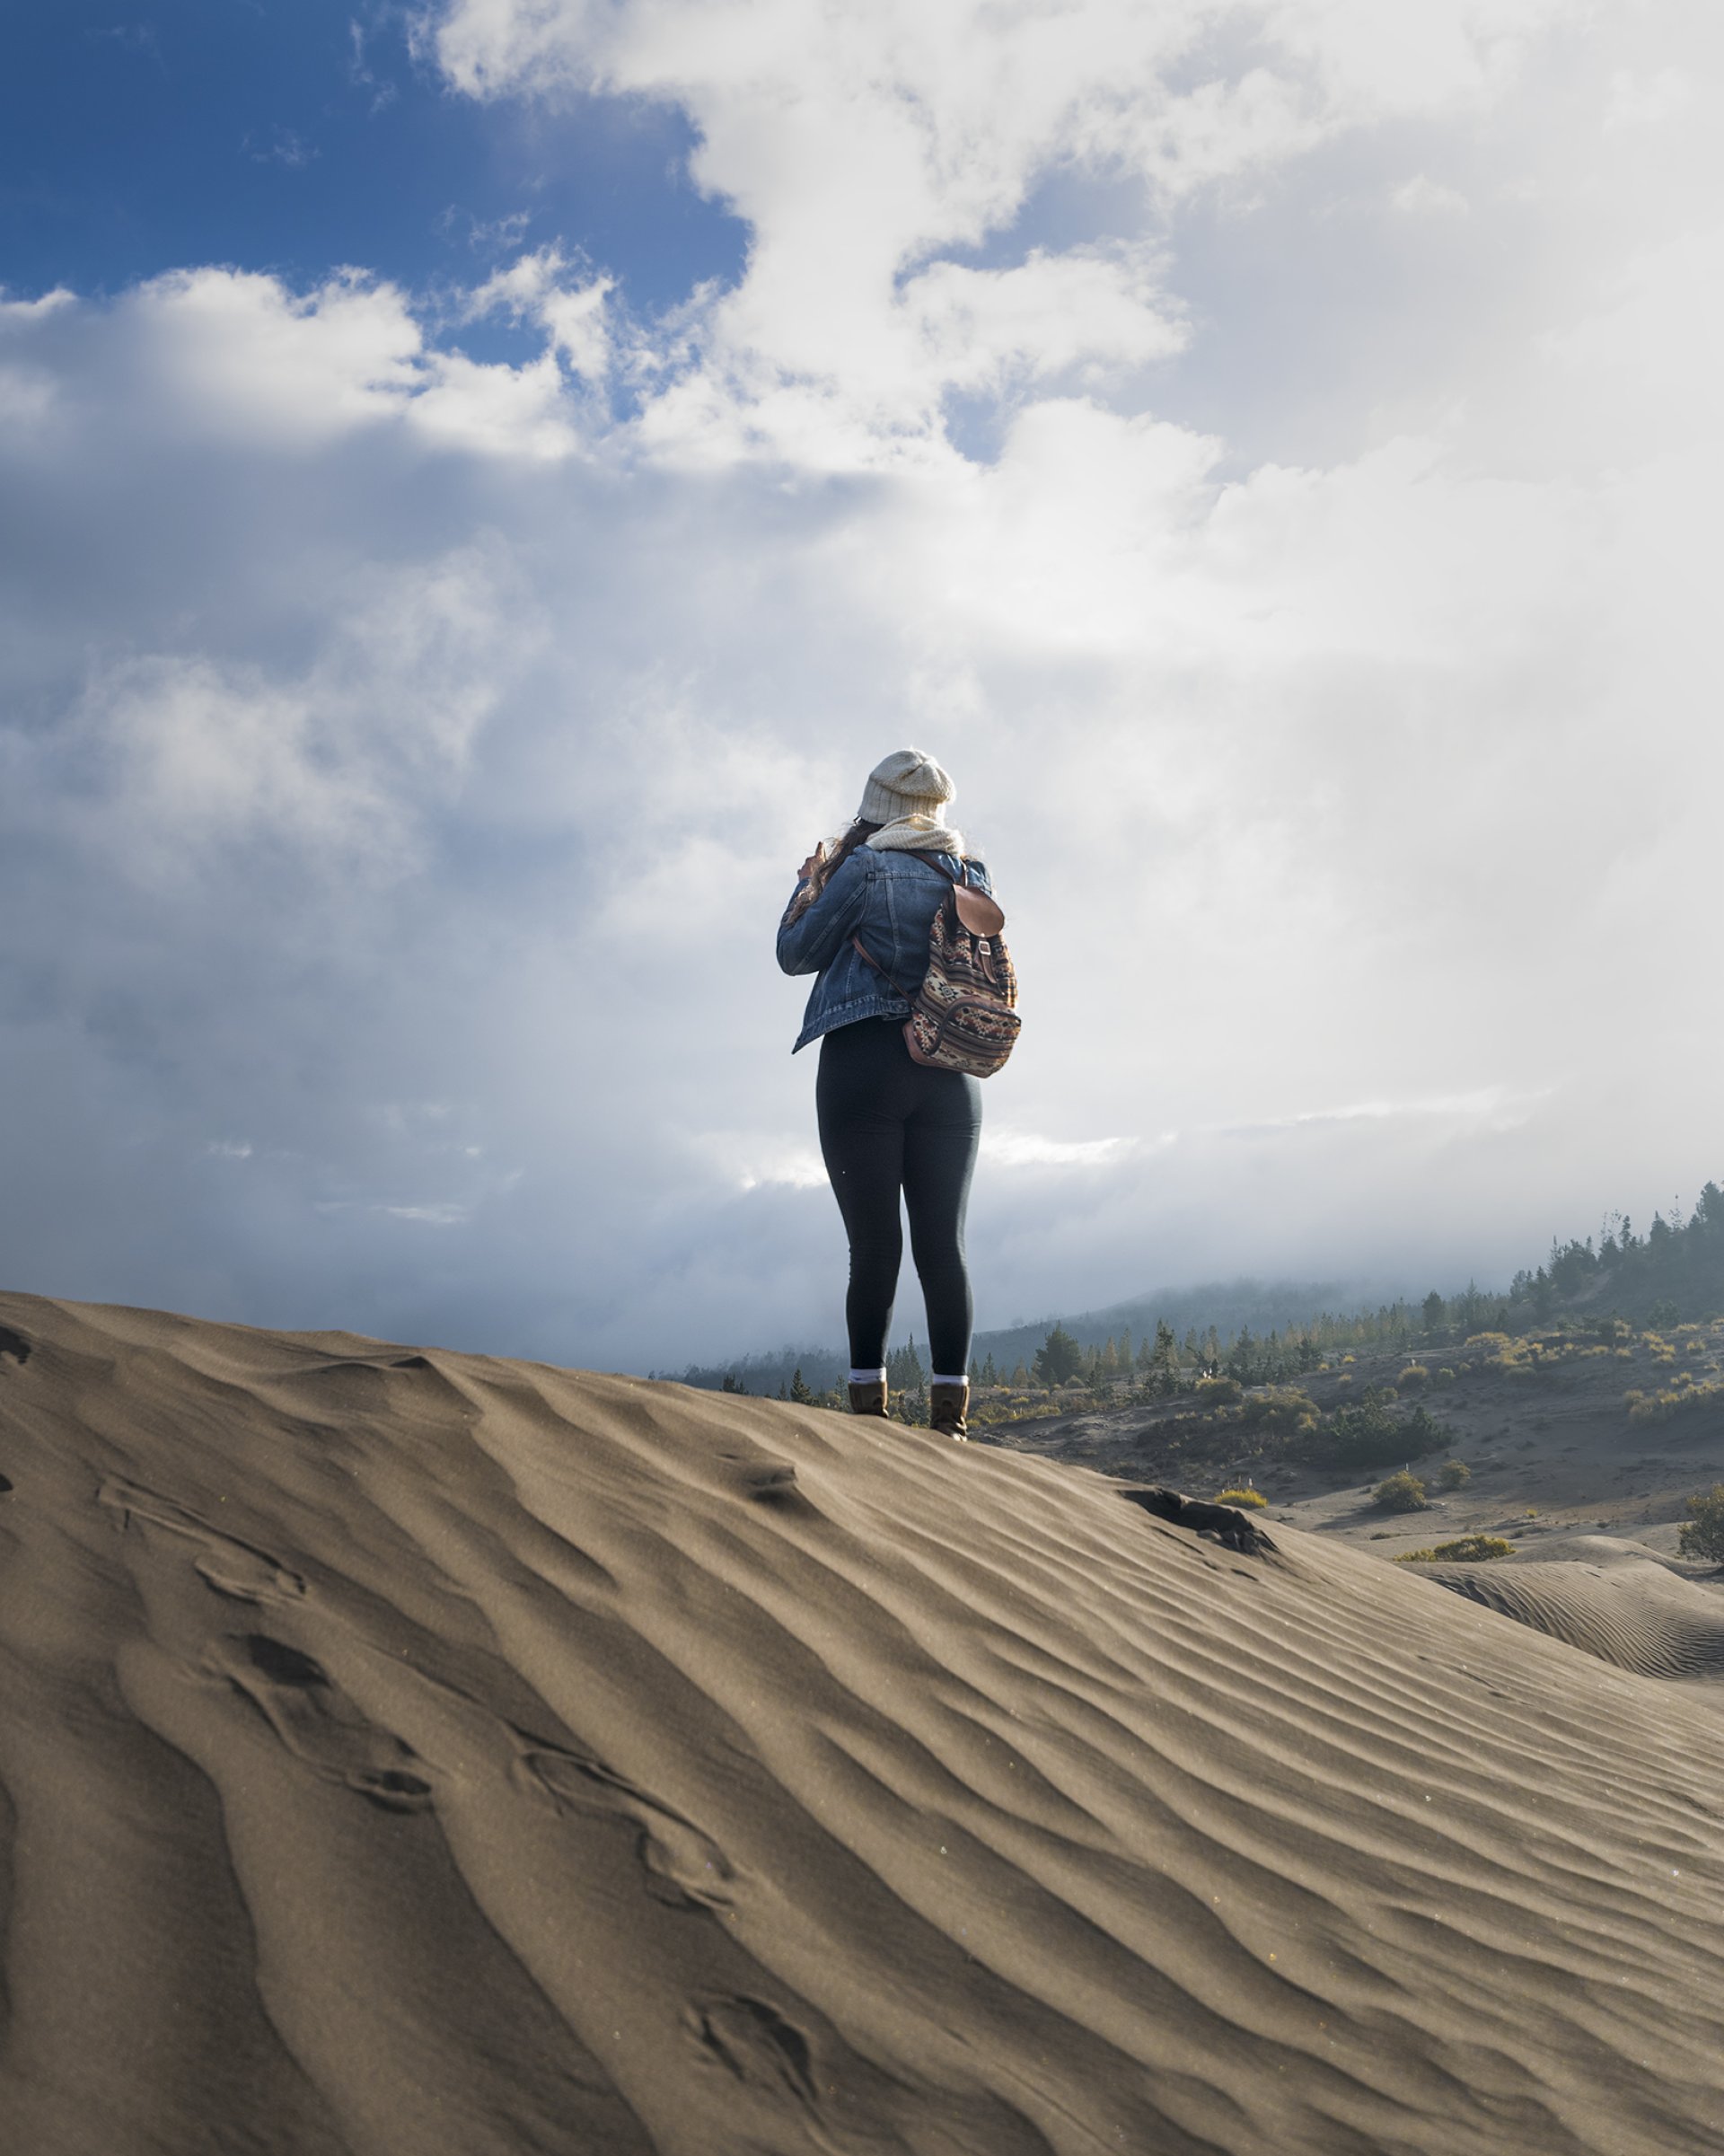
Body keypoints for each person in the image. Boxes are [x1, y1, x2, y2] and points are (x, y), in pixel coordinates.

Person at [776, 749, 994, 1439]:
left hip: (864, 1067)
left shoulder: (864, 868)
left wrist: (810, 885)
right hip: (951, 1073)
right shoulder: (971, 874)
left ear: (878, 804)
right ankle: (950, 1420)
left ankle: (870, 1414)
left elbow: (795, 952)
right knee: (944, 1248)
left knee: (874, 1247)